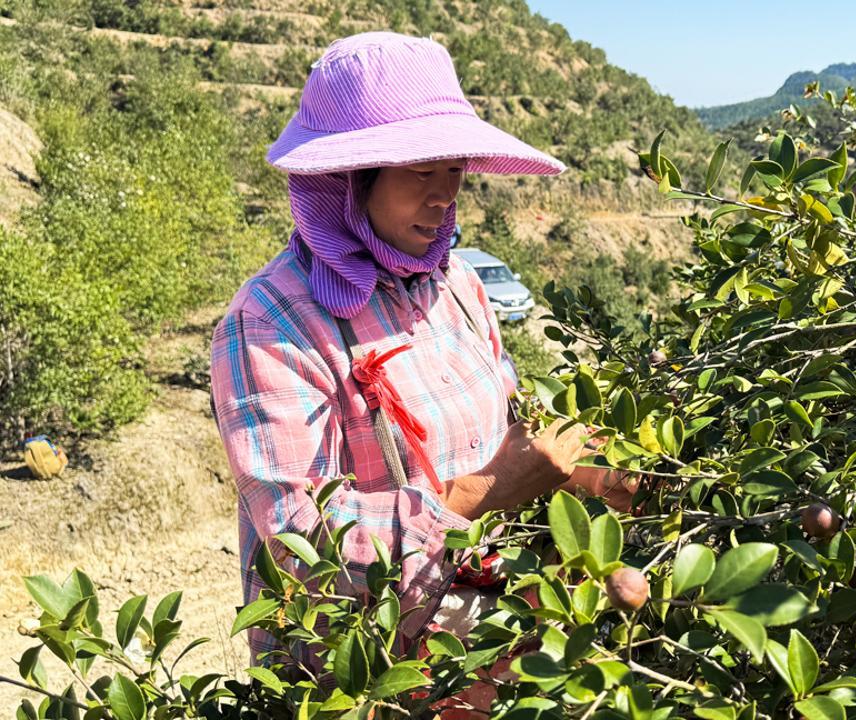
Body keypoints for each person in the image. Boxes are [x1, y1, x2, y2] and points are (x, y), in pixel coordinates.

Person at [208, 31, 634, 695]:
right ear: (347, 181)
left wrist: (582, 475)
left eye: (454, 170)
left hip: (492, 641)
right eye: (419, 172)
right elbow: (301, 544)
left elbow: (507, 429)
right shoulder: (271, 322)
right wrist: (483, 494)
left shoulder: (456, 284)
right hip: (368, 679)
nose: (444, 196)